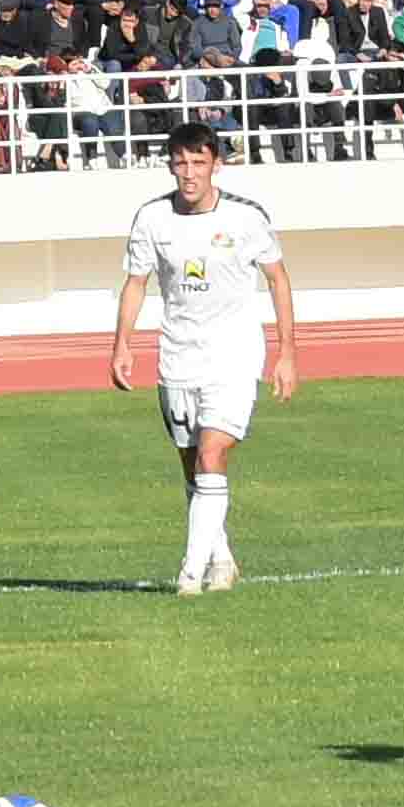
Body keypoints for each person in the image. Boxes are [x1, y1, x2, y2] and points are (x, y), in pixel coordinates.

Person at [107, 121, 300, 594]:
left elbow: (278, 278)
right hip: (177, 355)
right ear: (170, 167)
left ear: (216, 165)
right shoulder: (152, 219)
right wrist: (122, 344)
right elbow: (136, 282)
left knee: (213, 453)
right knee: (192, 463)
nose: (190, 172)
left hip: (234, 354)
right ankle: (221, 558)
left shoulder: (245, 218)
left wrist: (287, 353)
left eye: (199, 162)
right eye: (181, 163)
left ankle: (189, 573)